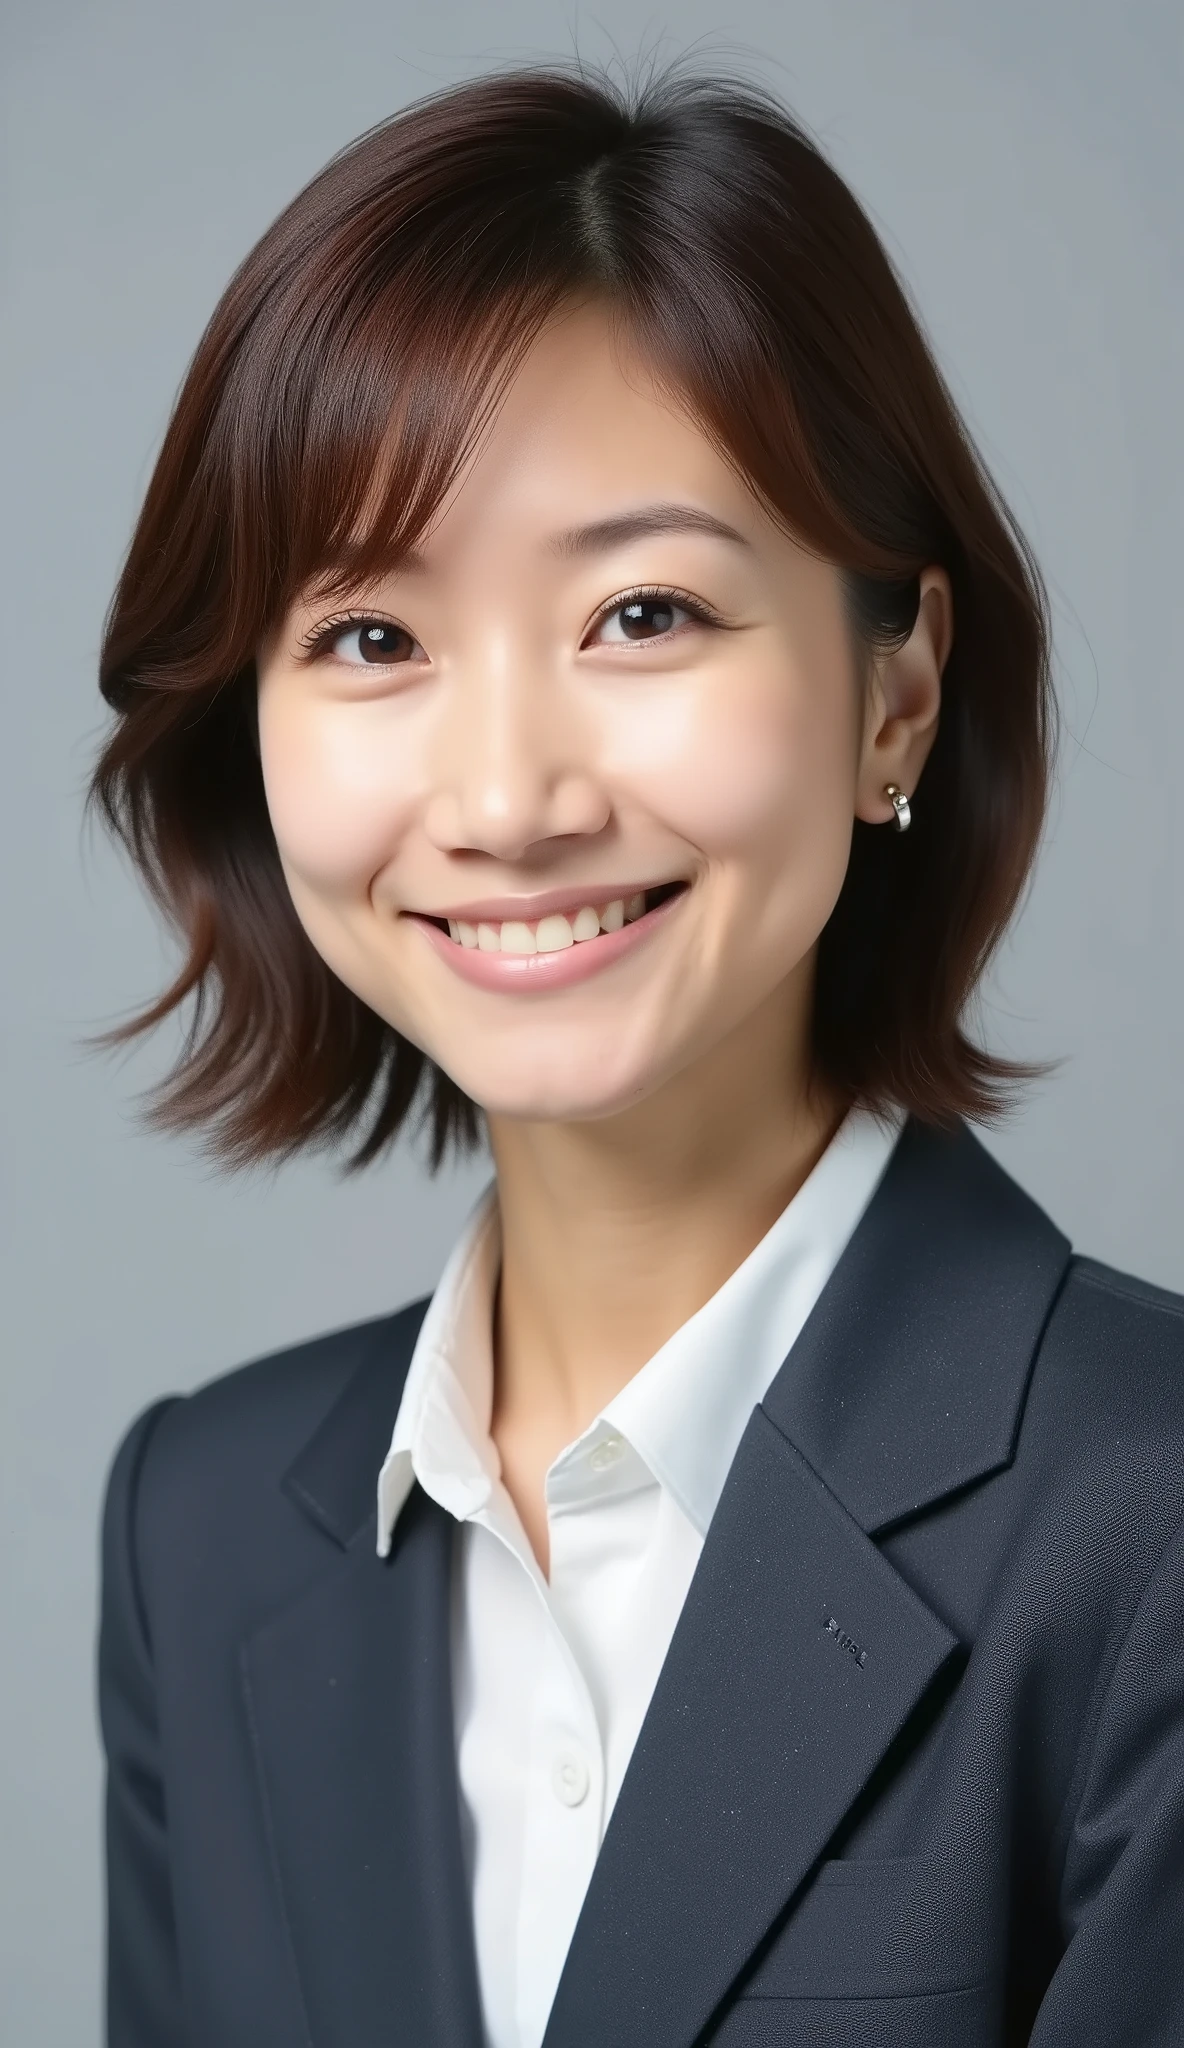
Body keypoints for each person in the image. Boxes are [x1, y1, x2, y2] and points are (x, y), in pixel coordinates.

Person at [91, 61, 1184, 2048]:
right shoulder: (201, 1522)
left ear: (896, 696)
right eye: (365, 639)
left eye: (642, 611)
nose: (506, 796)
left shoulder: (1146, 1515)